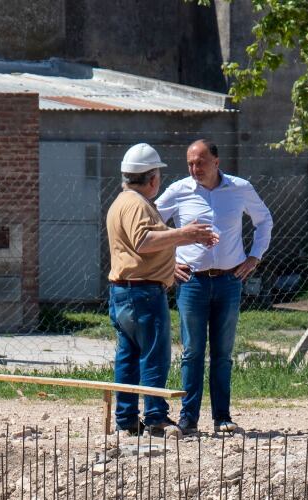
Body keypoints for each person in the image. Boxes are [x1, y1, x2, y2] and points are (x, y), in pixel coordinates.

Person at [154, 140, 272, 436]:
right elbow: (151, 224)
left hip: (229, 280)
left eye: (201, 162)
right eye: (191, 163)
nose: (195, 169)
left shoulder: (240, 188)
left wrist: (255, 257)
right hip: (191, 281)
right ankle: (188, 418)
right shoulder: (179, 190)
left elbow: (264, 220)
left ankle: (222, 417)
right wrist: (168, 262)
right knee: (193, 351)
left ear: (216, 162)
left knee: (223, 352)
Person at [106, 143, 218, 436]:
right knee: (154, 355)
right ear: (152, 178)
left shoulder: (123, 202)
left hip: (124, 291)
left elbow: (146, 239)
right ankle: (155, 418)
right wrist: (185, 234)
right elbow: (143, 241)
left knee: (129, 356)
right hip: (142, 293)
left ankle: (127, 419)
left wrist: (183, 236)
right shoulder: (137, 205)